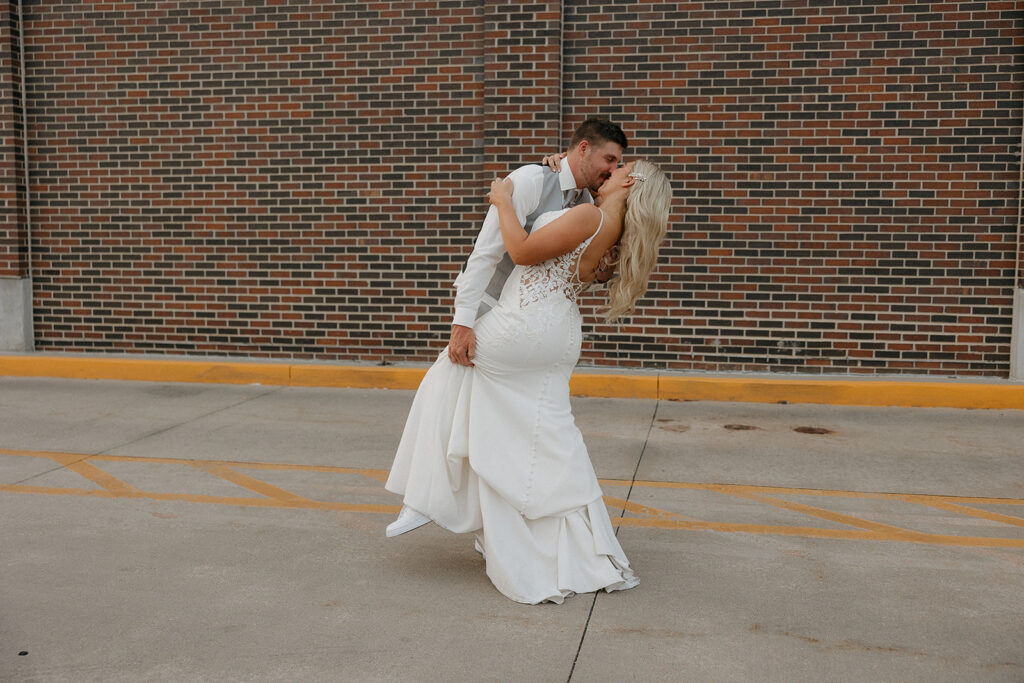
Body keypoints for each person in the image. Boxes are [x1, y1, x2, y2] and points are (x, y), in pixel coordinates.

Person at [383, 147, 673, 604]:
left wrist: (501, 198)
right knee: (545, 436)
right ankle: (556, 543)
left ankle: (430, 499)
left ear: (631, 184)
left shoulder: (589, 219)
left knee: (448, 382)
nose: (614, 170)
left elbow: (519, 251)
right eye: (613, 161)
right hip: (556, 337)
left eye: (623, 169)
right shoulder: (609, 225)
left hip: (523, 327)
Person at [446, 119, 628, 369]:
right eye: (609, 159)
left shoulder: (588, 200)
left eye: (618, 163)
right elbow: (485, 253)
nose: (613, 168)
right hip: (487, 307)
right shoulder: (531, 179)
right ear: (583, 148)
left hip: (530, 325)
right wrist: (463, 322)